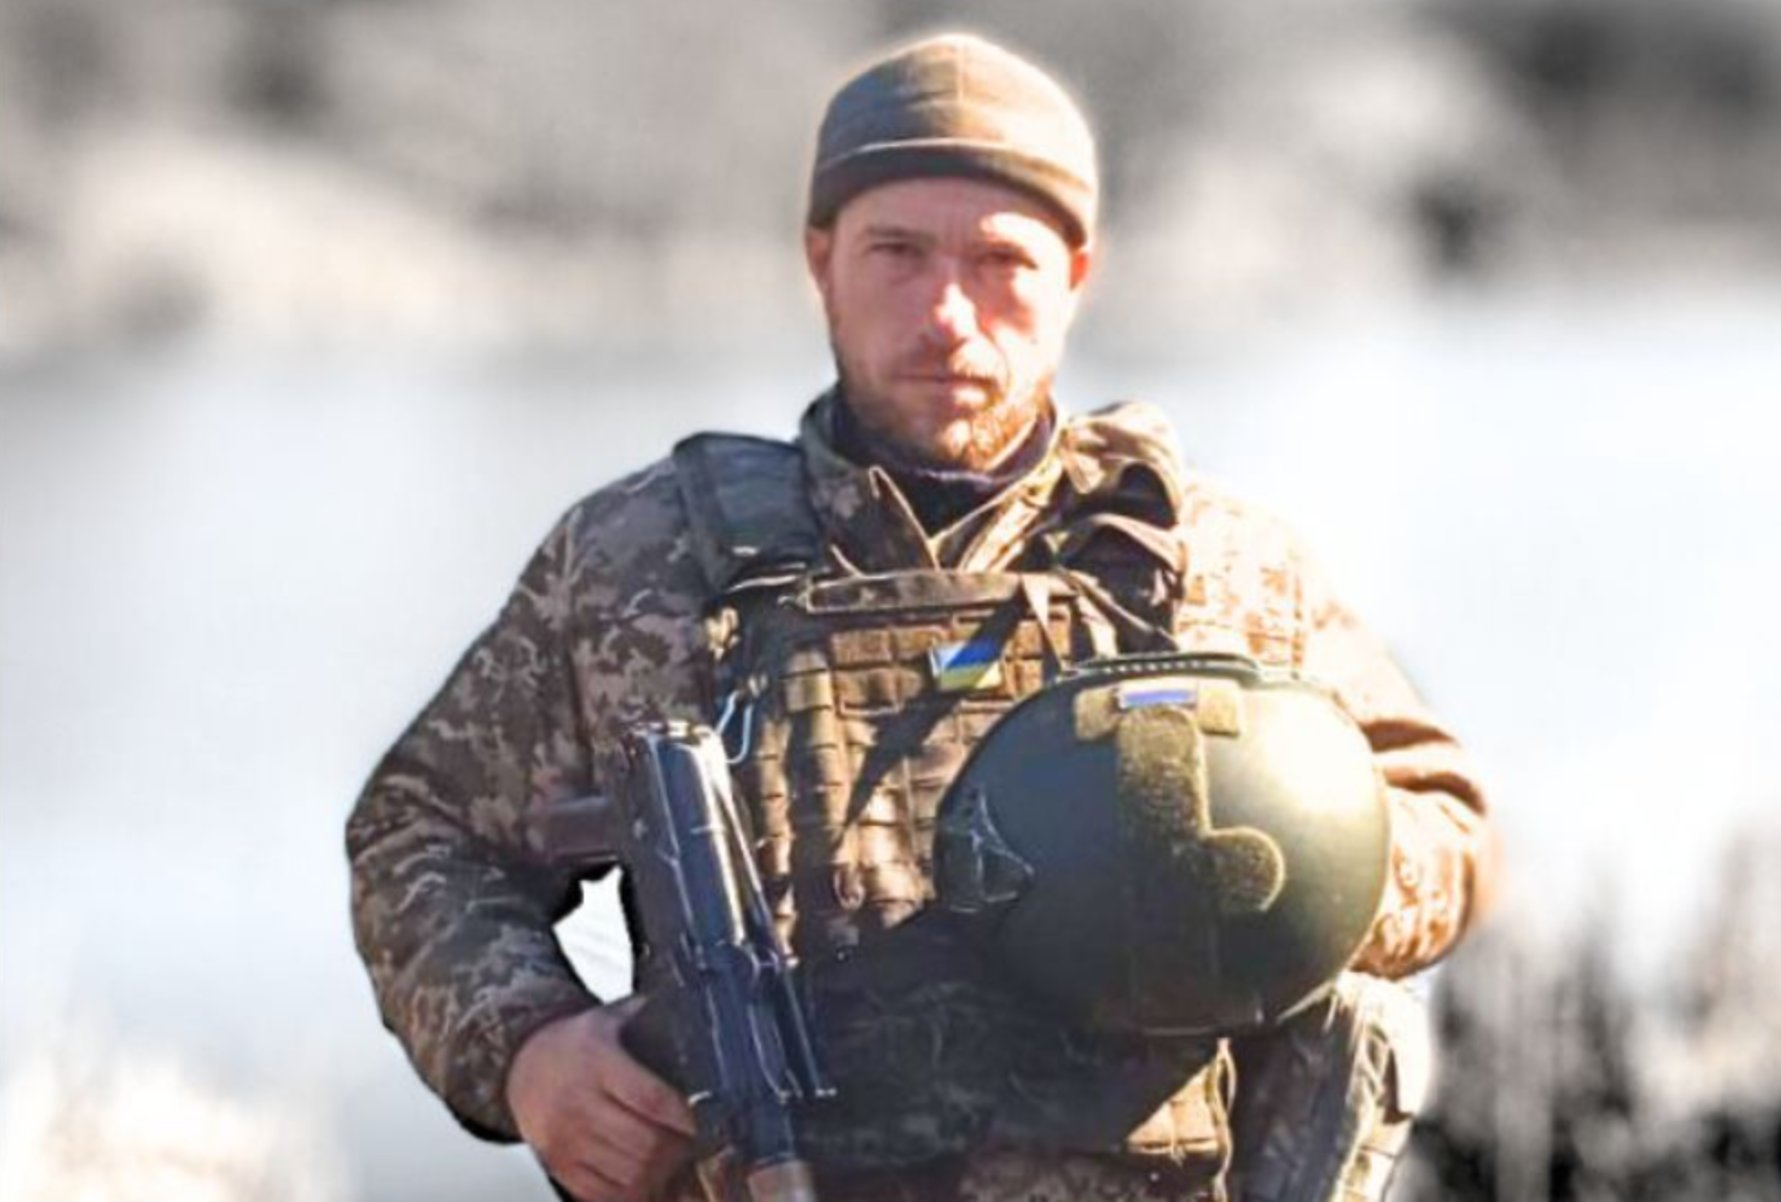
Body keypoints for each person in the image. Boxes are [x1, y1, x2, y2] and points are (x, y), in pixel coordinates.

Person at [347, 31, 1493, 1202]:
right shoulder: (641, 562)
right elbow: (417, 829)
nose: (948, 313)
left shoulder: (1219, 567)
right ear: (821, 260)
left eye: (1001, 261)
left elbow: (1446, 823)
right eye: (897, 252)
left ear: (1076, 275)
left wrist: (1272, 866)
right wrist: (531, 1050)